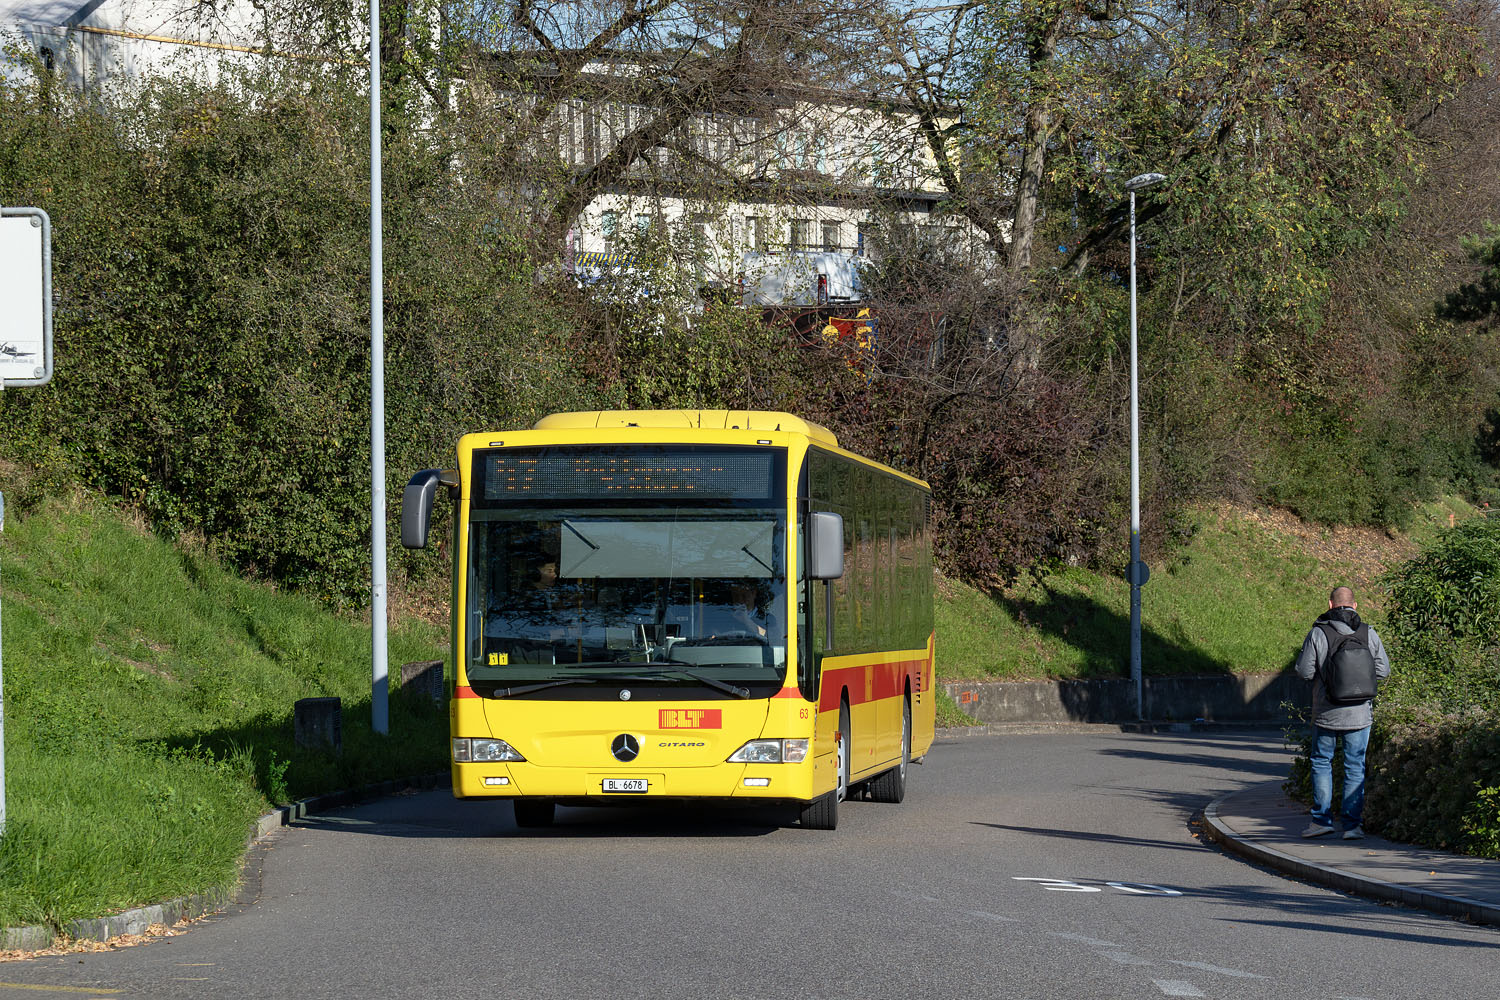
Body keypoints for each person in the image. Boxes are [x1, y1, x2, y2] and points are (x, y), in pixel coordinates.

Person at [1294, 585, 1391, 840]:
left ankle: (1321, 821)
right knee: (1355, 766)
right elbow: (1383, 671)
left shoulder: (1318, 632)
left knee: (1322, 762)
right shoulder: (1368, 632)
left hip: (1327, 712)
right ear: (1355, 605)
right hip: (1360, 715)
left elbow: (1304, 672)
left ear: (1330, 605)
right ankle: (1352, 826)